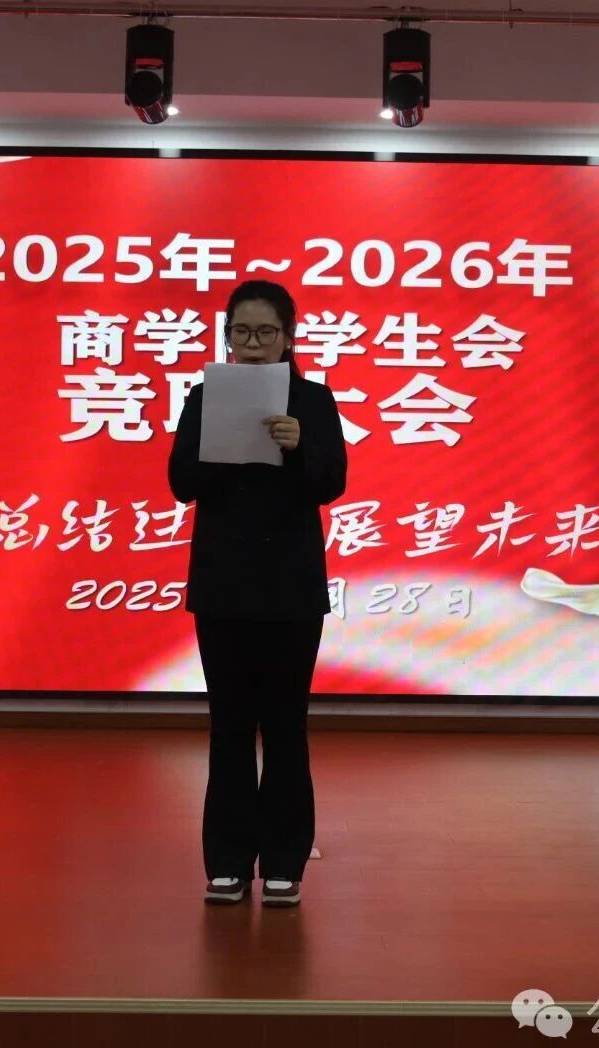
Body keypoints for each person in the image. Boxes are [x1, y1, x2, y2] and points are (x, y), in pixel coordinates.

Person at [167, 279, 348, 908]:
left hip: (291, 588)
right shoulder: (203, 398)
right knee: (229, 726)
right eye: (240, 332)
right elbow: (180, 482)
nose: (252, 343)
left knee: (285, 726)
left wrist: (297, 448)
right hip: (223, 585)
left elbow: (331, 483)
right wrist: (222, 447)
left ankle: (284, 864)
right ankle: (226, 862)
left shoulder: (314, 400)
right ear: (226, 337)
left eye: (265, 332)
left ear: (288, 337)